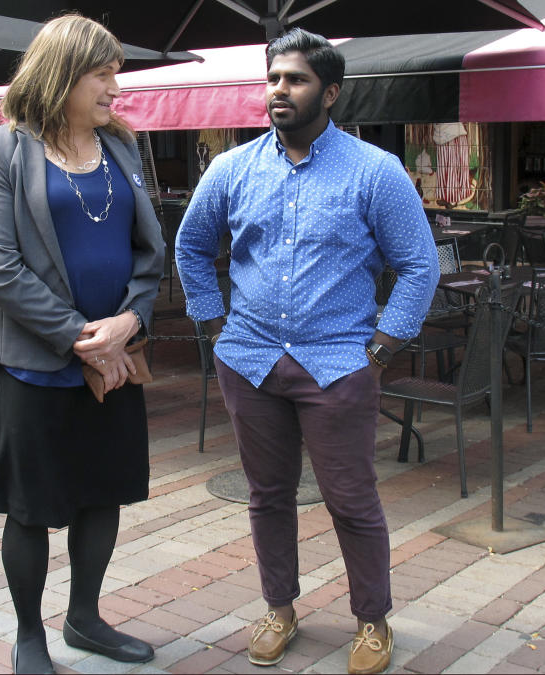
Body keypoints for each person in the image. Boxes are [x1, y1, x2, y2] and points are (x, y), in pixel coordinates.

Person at [176, 27, 438, 675]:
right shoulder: (231, 169)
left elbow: (418, 264)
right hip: (250, 362)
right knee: (268, 495)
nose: (278, 91)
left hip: (338, 366)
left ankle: (372, 621)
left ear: (331, 92)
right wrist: (215, 328)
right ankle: (280, 608)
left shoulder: (375, 172)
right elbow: (190, 246)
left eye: (294, 80)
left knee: (351, 498)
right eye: (272, 79)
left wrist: (380, 348)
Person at [0, 15, 164, 674]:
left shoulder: (124, 147)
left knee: (103, 491)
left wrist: (128, 323)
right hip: (34, 363)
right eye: (102, 73)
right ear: (62, 73)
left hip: (116, 354)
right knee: (31, 506)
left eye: (116, 73)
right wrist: (84, 338)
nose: (114, 86)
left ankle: (85, 617)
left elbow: (149, 253)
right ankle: (28, 634)